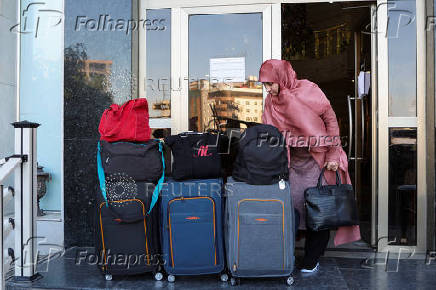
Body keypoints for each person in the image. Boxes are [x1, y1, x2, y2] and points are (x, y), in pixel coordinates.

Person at [259, 59, 360, 273]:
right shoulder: (271, 101)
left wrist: (333, 153)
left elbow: (331, 121)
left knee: (318, 209)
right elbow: (269, 132)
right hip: (292, 163)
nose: (268, 89)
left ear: (281, 78)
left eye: (270, 84)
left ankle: (312, 258)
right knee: (293, 210)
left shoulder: (309, 90)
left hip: (319, 159)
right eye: (265, 85)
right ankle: (287, 254)